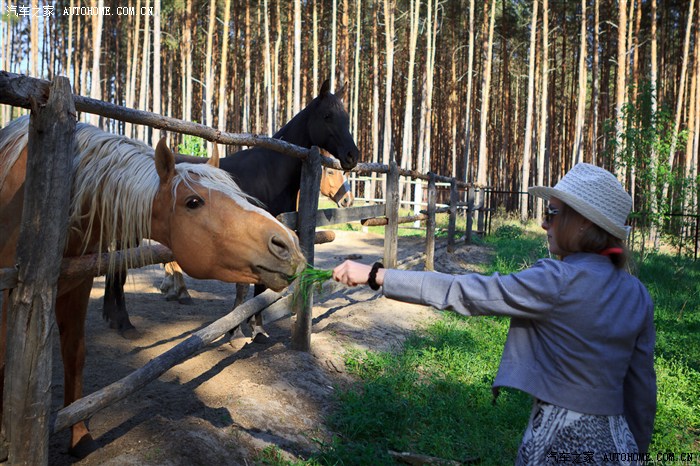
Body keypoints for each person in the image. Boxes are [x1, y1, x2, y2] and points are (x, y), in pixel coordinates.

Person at [332, 163, 656, 465]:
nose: (544, 223)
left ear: (583, 222)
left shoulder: (557, 280)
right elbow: (642, 391)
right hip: (619, 443)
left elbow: (463, 291)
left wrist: (378, 275)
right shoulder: (638, 293)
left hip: (560, 440)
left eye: (552, 213)